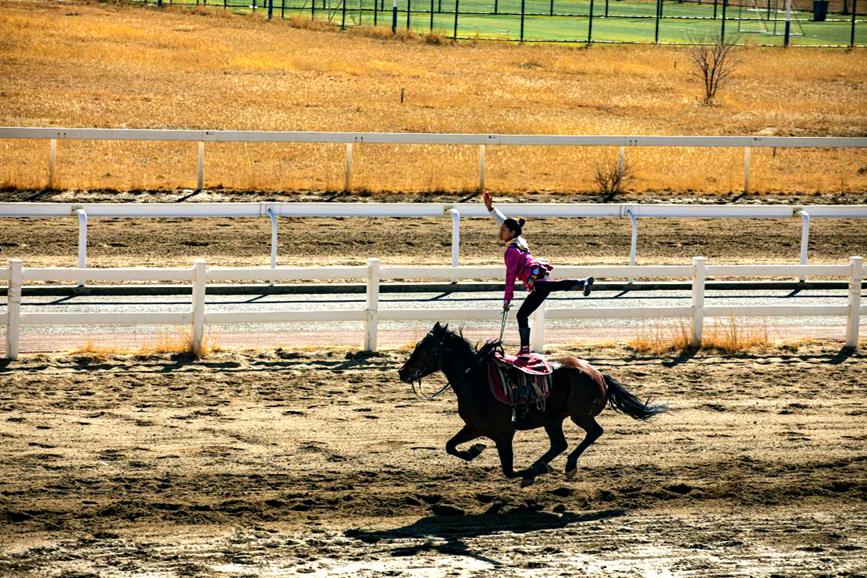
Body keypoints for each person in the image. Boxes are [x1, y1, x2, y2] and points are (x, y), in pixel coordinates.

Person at [483, 191, 593, 356]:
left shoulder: (511, 252)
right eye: (501, 229)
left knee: (554, 286)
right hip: (538, 280)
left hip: (535, 279)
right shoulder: (519, 240)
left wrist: (507, 299)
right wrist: (491, 209)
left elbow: (510, 277)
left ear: (512, 233)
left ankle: (581, 282)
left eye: (503, 230)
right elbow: (506, 222)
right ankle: (525, 350)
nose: (500, 232)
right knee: (522, 314)